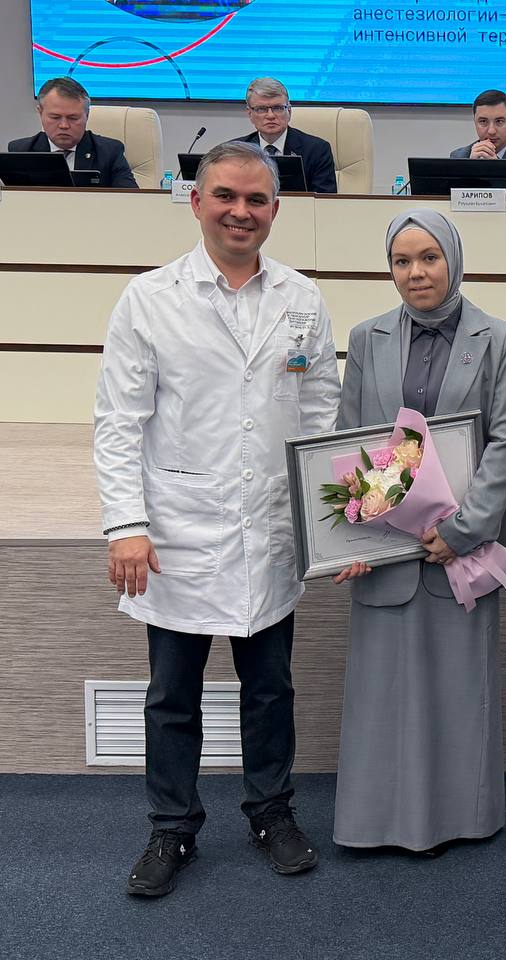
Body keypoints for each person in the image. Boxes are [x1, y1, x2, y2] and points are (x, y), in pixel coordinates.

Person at [93, 140, 340, 897]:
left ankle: (271, 812)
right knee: (173, 695)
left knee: (271, 689)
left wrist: (328, 524)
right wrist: (125, 525)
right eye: (226, 196)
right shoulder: (150, 298)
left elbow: (320, 414)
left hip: (268, 529)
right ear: (196, 202)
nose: (241, 211)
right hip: (178, 531)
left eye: (256, 199)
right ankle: (172, 827)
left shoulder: (302, 298)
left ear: (275, 210)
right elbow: (118, 423)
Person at [329, 209, 506, 852]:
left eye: (429, 257)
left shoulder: (497, 338)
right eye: (402, 261)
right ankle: (375, 822)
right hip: (387, 547)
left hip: (460, 551)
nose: (416, 272)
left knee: (458, 688)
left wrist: (464, 529)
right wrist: (354, 537)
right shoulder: (366, 338)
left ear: (454, 260)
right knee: (382, 692)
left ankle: (463, 817)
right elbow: (350, 439)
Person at [7, 76, 138, 187]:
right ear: (40, 113)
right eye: (55, 117)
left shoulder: (109, 152)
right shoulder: (21, 151)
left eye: (73, 118)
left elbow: (132, 200)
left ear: (87, 115)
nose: (64, 125)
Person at [231, 77, 337, 194]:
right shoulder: (235, 152)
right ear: (250, 114)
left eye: (278, 108)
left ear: (289, 112)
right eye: (261, 109)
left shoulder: (317, 150)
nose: (270, 116)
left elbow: (326, 200)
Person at [449, 89, 506, 197]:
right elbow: (452, 201)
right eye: (483, 121)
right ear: (475, 122)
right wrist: (471, 168)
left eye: (499, 121)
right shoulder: (459, 157)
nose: (491, 131)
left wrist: (496, 168)